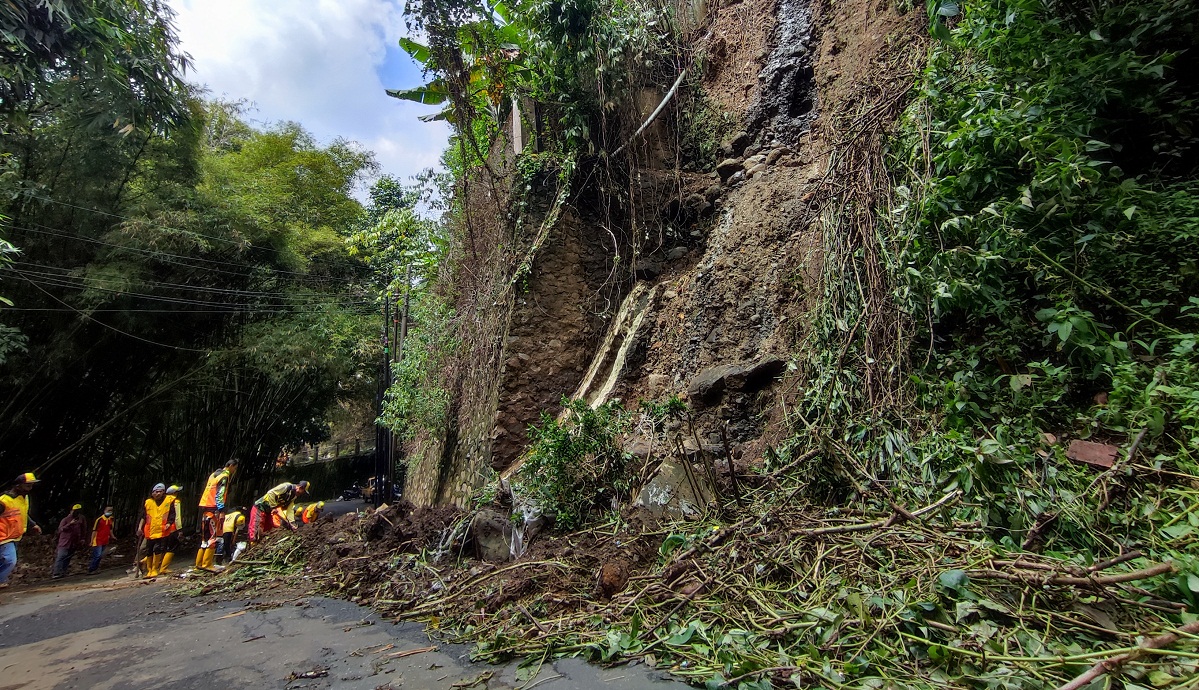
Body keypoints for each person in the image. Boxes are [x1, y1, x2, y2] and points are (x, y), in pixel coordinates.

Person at [0, 473, 43, 589]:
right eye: (28, 486)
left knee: (5, 560)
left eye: (31, 486)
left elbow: (23, 513)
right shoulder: (4, 500)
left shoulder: (24, 498)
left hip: (14, 536)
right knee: (10, 560)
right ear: (18, 486)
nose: (30, 489)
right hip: (4, 536)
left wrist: (33, 525)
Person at [196, 459, 236, 572]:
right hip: (214, 509)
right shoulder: (224, 476)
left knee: (204, 539)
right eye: (235, 468)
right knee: (212, 537)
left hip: (205, 507)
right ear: (231, 466)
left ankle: (199, 564)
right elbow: (219, 494)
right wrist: (221, 510)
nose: (235, 471)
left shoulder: (214, 475)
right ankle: (207, 564)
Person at [136, 483, 176, 578]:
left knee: (157, 549)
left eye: (160, 492)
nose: (158, 494)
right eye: (156, 492)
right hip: (149, 531)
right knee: (149, 550)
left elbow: (172, 514)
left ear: (163, 492)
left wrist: (169, 523)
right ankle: (149, 570)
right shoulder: (148, 502)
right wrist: (139, 528)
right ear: (152, 493)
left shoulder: (169, 501)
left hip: (161, 531)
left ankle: (154, 569)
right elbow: (143, 516)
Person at [51, 504, 86, 579]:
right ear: (71, 511)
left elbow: (83, 529)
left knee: (68, 557)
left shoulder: (81, 518)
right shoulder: (65, 519)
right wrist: (70, 524)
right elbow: (60, 529)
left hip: (74, 541)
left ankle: (63, 572)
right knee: (61, 556)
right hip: (65, 541)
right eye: (75, 511)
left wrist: (82, 538)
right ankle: (56, 573)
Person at [161, 485, 183, 574]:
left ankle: (144, 561)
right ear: (174, 493)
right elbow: (177, 516)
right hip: (172, 527)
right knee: (173, 546)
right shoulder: (175, 501)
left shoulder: (163, 501)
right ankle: (163, 568)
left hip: (163, 527)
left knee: (161, 547)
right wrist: (180, 529)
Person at [88, 506, 115, 574]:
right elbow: (94, 531)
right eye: (108, 510)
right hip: (97, 540)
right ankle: (92, 569)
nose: (110, 512)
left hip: (105, 540)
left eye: (111, 511)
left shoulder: (111, 519)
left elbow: (110, 529)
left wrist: (112, 536)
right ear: (104, 511)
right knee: (97, 555)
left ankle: (95, 568)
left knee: (100, 556)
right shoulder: (99, 520)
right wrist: (91, 541)